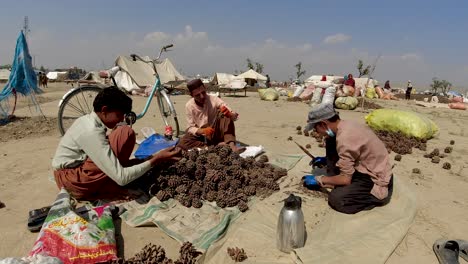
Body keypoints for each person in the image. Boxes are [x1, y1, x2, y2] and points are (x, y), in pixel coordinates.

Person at [52, 87, 181, 201]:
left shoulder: (91, 121)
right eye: (118, 115)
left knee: (125, 132)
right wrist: (156, 159)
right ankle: (106, 187)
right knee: (124, 146)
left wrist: (150, 160)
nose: (120, 119)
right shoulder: (91, 131)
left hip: (77, 171)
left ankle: (108, 182)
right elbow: (122, 177)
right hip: (71, 181)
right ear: (104, 110)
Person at [302, 104, 393, 214]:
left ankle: (374, 198)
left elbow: (345, 179)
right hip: (368, 164)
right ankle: (337, 179)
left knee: (337, 199)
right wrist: (326, 160)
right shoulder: (346, 125)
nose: (316, 132)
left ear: (323, 124)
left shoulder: (345, 139)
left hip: (374, 177)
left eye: (316, 128)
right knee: (331, 140)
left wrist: (319, 179)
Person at [177, 79, 242, 152]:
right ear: (191, 95)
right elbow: (190, 127)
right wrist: (202, 131)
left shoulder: (214, 99)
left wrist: (230, 114)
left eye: (203, 92)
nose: (202, 96)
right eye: (197, 95)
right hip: (202, 137)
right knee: (183, 142)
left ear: (205, 89)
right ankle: (211, 147)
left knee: (225, 115)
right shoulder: (189, 106)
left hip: (216, 132)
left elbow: (233, 116)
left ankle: (231, 145)